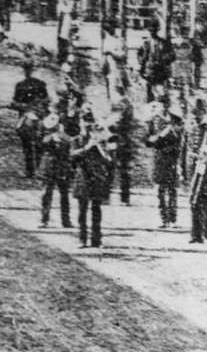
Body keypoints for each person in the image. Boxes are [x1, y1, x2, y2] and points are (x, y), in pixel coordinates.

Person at [71, 113, 114, 249]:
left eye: (90, 123)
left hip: (96, 177)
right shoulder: (77, 140)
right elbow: (72, 156)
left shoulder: (101, 140)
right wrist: (88, 146)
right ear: (80, 124)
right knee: (82, 211)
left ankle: (97, 239)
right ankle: (82, 239)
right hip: (83, 177)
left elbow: (110, 160)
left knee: (96, 210)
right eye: (85, 123)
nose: (87, 126)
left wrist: (100, 147)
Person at [146, 103, 185, 228]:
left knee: (172, 190)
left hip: (173, 159)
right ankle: (164, 219)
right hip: (160, 160)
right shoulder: (153, 121)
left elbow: (181, 142)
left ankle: (173, 219)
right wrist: (159, 136)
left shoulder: (177, 121)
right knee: (161, 191)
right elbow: (148, 141)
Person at [11, 62, 50, 179]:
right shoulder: (23, 85)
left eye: (29, 69)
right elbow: (15, 103)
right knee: (33, 144)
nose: (29, 72)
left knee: (30, 145)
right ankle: (33, 169)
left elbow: (14, 103)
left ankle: (32, 170)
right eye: (28, 69)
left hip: (34, 117)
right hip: (31, 117)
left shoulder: (34, 85)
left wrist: (35, 107)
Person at [38, 109, 74, 229]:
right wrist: (51, 137)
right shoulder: (45, 137)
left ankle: (65, 220)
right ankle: (44, 219)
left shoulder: (65, 137)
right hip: (49, 167)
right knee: (47, 194)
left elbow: (69, 147)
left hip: (61, 167)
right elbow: (40, 144)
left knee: (63, 195)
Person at [110, 98, 138, 205]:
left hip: (122, 146)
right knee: (121, 172)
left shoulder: (125, 122)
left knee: (123, 172)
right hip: (120, 145)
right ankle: (124, 198)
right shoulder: (121, 119)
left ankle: (124, 198)